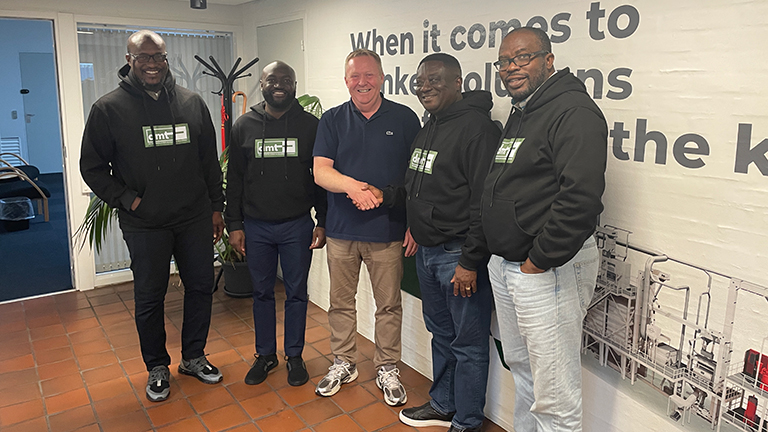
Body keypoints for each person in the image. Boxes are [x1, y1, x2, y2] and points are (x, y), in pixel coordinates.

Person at [80, 30, 225, 402]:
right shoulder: (108, 109)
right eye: (143, 56)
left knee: (200, 288)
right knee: (149, 297)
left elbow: (209, 162)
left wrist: (216, 207)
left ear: (166, 59)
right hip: (145, 223)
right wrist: (129, 201)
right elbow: (92, 168)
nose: (152, 64)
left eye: (158, 56)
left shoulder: (192, 103)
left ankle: (193, 357)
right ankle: (157, 366)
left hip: (193, 218)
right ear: (129, 60)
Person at [362, 53, 500, 432]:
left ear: (457, 82)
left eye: (434, 80)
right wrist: (387, 195)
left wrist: (470, 261)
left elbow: (484, 204)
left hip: (458, 256)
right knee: (442, 334)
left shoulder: (477, 130)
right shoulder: (430, 126)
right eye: (420, 81)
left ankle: (467, 421)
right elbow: (417, 187)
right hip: (427, 253)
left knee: (468, 344)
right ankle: (443, 405)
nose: (425, 87)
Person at [482, 27, 607, 431]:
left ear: (549, 60)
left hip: (545, 270)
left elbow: (580, 199)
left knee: (554, 397)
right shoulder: (523, 111)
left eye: (522, 57)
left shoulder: (573, 111)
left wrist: (538, 261)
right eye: (504, 62)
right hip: (509, 265)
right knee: (523, 371)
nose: (511, 68)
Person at [312, 48, 421, 406]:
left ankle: (387, 367)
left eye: (369, 74)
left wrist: (413, 224)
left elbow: (416, 178)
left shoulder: (405, 119)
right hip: (342, 231)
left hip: (387, 231)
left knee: (388, 306)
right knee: (340, 304)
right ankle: (344, 362)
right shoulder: (332, 120)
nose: (362, 82)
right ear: (346, 81)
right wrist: (355, 188)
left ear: (382, 78)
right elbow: (321, 171)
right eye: (355, 76)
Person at [225, 61, 327, 387]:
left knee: (297, 293)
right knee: (261, 293)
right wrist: (234, 224)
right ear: (262, 84)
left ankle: (294, 355)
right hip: (256, 226)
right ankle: (266, 354)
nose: (279, 85)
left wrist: (322, 221)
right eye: (272, 80)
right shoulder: (244, 125)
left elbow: (321, 178)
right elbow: (235, 179)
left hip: (297, 225)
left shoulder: (311, 126)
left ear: (295, 85)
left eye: (286, 80)